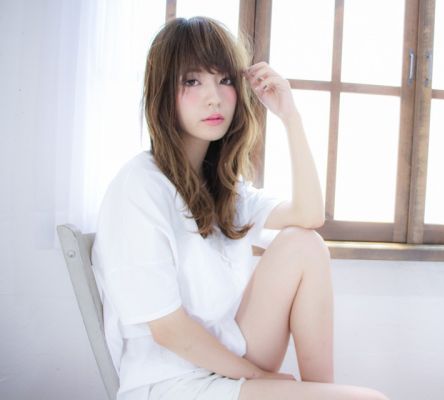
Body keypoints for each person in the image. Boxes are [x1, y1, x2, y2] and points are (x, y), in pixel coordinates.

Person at [91, 16, 389, 400]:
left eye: (225, 80)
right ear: (162, 92)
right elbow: (168, 329)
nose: (214, 97)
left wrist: (289, 115)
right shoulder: (140, 185)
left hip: (224, 358)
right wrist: (259, 376)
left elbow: (309, 215)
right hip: (173, 382)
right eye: (192, 81)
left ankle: (322, 391)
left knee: (304, 244)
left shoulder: (218, 186)